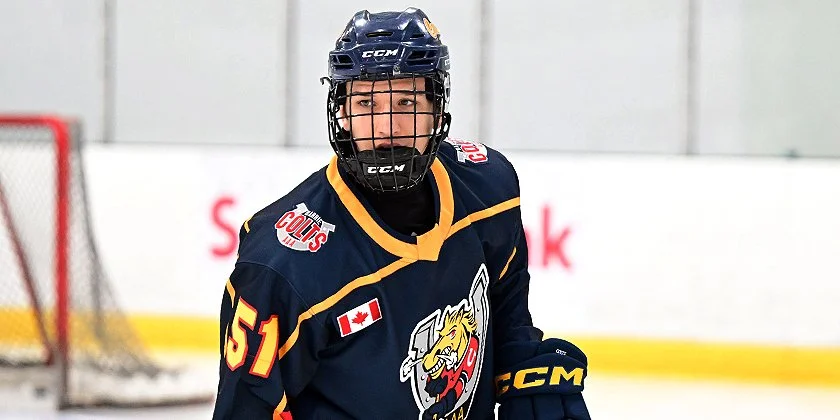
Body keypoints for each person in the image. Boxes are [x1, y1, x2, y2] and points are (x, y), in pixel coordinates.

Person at [213, 7, 590, 420]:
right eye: (366, 102)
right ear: (342, 112)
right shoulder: (280, 266)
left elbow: (507, 316)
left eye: (407, 101)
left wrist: (522, 372)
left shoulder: (489, 190)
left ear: (437, 109)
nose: (386, 127)